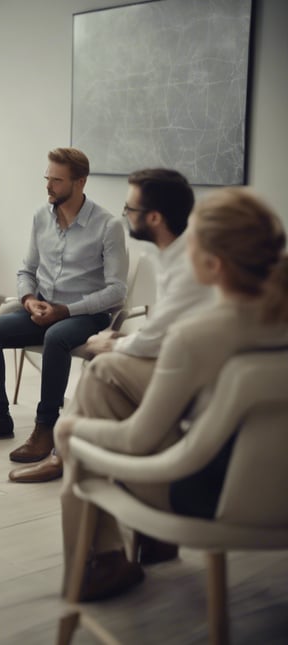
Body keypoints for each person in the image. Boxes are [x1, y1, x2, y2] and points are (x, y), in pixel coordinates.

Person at [55, 187, 288, 601]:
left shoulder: (196, 337)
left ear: (213, 265)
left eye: (192, 240)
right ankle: (126, 555)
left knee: (77, 433)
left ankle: (97, 566)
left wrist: (68, 427)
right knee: (108, 381)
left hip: (212, 497)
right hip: (276, 487)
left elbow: (136, 440)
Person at [9, 168, 214, 484]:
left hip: (188, 372)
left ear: (155, 218)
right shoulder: (171, 254)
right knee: (102, 371)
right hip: (175, 355)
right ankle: (73, 454)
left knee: (101, 365)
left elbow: (157, 333)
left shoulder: (188, 265)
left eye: (130, 209)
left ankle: (64, 451)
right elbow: (167, 325)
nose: (125, 215)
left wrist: (115, 343)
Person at [0, 148, 128, 460]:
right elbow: (27, 271)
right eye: (47, 178)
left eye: (57, 181)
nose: (48, 186)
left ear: (80, 182)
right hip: (44, 308)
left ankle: (45, 428)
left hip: (86, 314)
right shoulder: (40, 217)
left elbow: (117, 291)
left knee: (56, 337)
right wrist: (29, 299)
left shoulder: (108, 226)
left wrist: (66, 311)